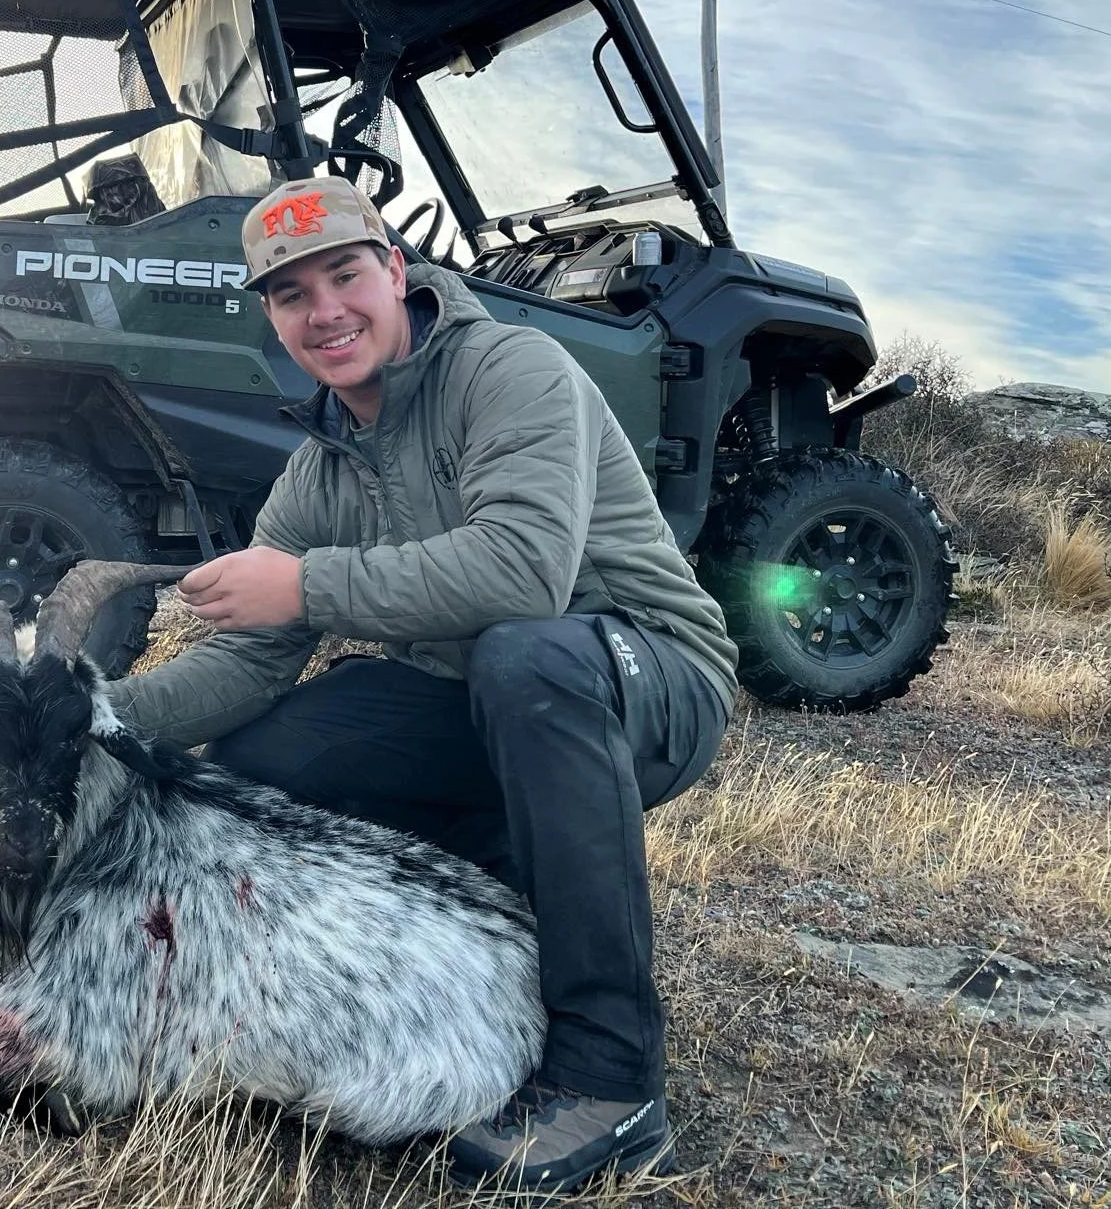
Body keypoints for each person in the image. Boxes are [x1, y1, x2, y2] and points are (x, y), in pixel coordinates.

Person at [106, 177, 737, 1192]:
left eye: (344, 275)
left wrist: (303, 584)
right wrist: (91, 717)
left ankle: (612, 1080)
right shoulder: (316, 468)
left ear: (396, 273)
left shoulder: (510, 368)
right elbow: (247, 660)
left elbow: (522, 571)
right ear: (269, 316)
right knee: (266, 756)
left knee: (528, 655)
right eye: (289, 295)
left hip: (641, 676)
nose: (325, 313)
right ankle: (478, 952)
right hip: (487, 705)